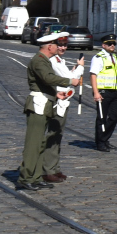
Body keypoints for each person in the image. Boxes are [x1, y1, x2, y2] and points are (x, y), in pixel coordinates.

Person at [18, 32, 75, 190]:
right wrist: (71, 80)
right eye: (57, 45)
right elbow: (48, 78)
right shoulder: (39, 61)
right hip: (38, 105)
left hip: (45, 103)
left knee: (41, 143)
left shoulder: (44, 60)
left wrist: (56, 93)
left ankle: (36, 176)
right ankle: (26, 177)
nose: (59, 47)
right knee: (33, 143)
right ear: (49, 46)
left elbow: (44, 84)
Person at [42, 32, 84, 183]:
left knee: (57, 135)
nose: (63, 47)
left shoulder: (59, 60)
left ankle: (54, 167)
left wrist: (74, 70)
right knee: (53, 135)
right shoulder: (53, 60)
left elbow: (66, 76)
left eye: (65, 45)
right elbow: (70, 80)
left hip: (63, 102)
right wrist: (79, 69)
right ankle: (48, 170)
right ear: (53, 45)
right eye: (60, 45)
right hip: (57, 102)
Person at [90, 34, 117, 151]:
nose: (112, 46)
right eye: (109, 44)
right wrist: (96, 92)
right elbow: (93, 75)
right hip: (103, 92)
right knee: (102, 118)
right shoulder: (98, 58)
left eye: (114, 44)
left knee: (115, 117)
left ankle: (104, 138)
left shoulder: (115, 57)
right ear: (103, 45)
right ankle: (100, 142)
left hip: (114, 92)